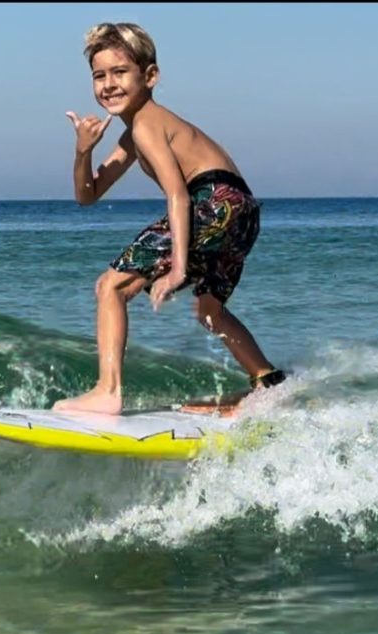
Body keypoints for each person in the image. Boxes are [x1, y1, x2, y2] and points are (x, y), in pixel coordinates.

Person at [52, 22, 285, 416]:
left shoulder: (146, 125)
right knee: (209, 308)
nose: (108, 84)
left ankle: (108, 390)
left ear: (151, 76)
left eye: (120, 72)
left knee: (111, 286)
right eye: (99, 75)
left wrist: (177, 270)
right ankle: (266, 381)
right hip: (241, 210)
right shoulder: (134, 134)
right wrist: (83, 152)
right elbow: (88, 196)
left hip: (211, 200)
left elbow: (178, 193)